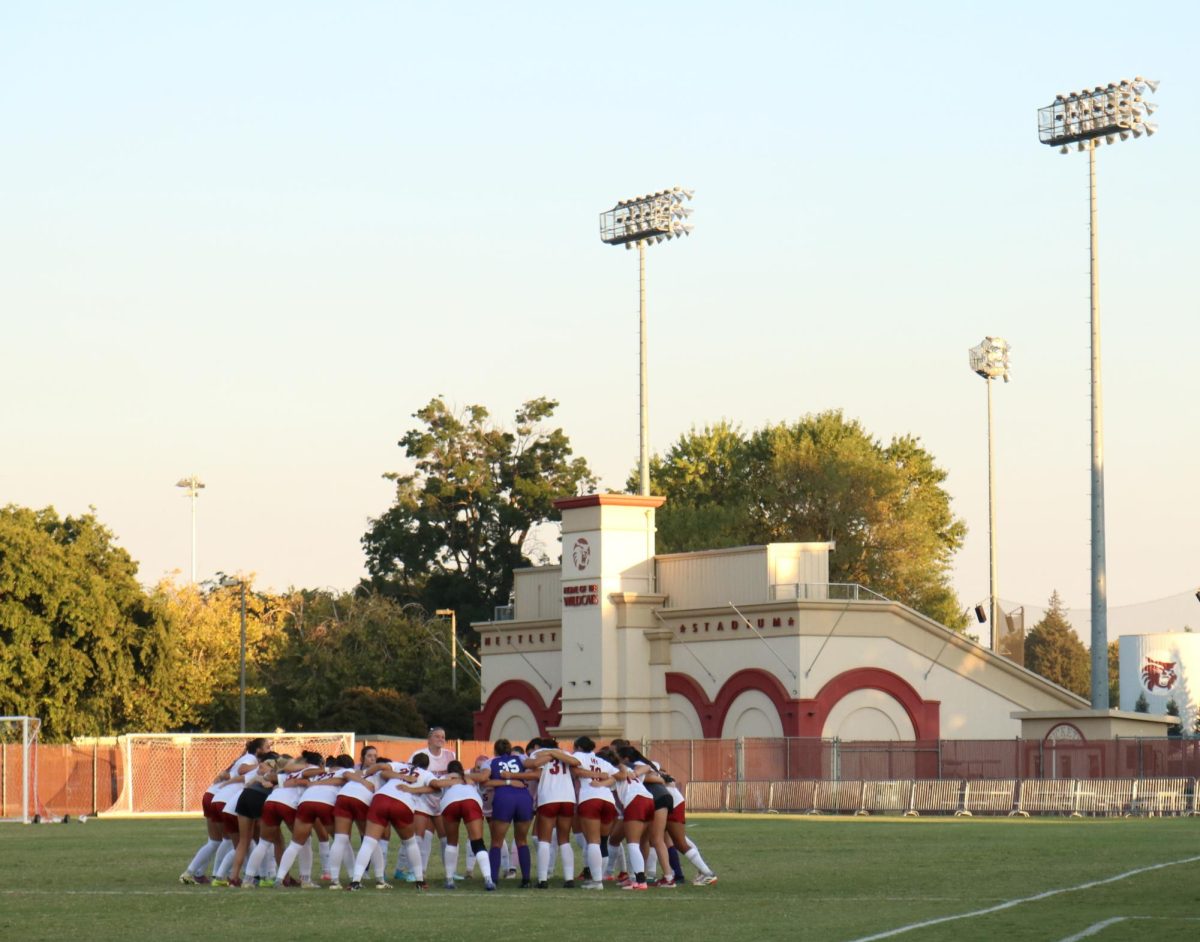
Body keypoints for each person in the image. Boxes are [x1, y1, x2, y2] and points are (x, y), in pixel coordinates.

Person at [345, 753, 437, 891]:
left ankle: (355, 881)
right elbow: (436, 786)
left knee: (368, 842)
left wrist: (364, 772)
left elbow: (382, 767)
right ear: (427, 765)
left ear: (410, 761)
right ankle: (420, 881)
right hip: (403, 803)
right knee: (410, 843)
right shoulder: (427, 773)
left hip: (381, 798)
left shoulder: (400, 765)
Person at [274, 753, 351, 886]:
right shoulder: (346, 771)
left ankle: (280, 878)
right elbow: (343, 781)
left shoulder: (311, 771)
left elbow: (287, 775)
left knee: (296, 843)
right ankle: (348, 877)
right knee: (341, 840)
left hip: (305, 801)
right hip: (325, 802)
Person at [516, 737, 582, 889]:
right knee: (564, 839)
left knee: (544, 840)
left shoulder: (538, 753)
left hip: (549, 797)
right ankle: (569, 878)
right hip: (567, 797)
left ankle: (542, 879)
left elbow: (536, 773)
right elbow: (575, 763)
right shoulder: (564, 753)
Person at [402, 727, 458, 882]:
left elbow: (455, 775)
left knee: (446, 838)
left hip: (441, 801)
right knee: (419, 837)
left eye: (443, 736)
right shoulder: (419, 755)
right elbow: (410, 775)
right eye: (437, 736)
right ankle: (416, 872)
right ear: (429, 739)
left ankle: (450, 872)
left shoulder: (450, 755)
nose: (441, 739)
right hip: (422, 800)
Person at [430, 760, 495, 891]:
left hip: (449, 802)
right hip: (471, 800)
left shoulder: (444, 777)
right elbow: (484, 779)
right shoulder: (470, 776)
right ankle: (488, 879)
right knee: (477, 842)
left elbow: (435, 786)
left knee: (452, 842)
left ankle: (449, 879)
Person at [570, 736, 619, 890]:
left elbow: (575, 769)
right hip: (608, 800)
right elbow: (616, 776)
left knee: (593, 841)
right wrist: (602, 781)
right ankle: (600, 878)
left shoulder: (578, 756)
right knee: (603, 841)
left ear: (578, 747)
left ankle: (597, 881)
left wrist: (592, 776)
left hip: (590, 798)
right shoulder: (602, 761)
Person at [487, 738, 534, 887]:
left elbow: (484, 780)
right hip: (524, 797)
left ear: (495, 751)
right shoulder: (520, 757)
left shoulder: (490, 762)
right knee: (522, 840)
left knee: (496, 842)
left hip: (504, 798)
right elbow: (534, 766)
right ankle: (526, 879)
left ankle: (493, 879)